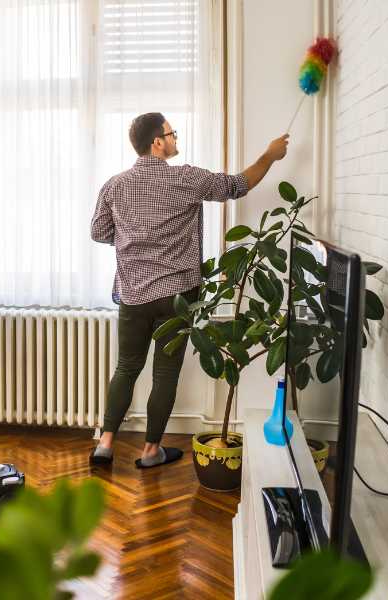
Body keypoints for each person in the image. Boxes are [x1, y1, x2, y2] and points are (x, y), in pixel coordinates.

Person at [90, 112, 288, 468]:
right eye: (171, 134)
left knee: (126, 367)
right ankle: (151, 451)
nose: (175, 139)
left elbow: (100, 232)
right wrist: (269, 156)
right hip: (177, 298)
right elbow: (237, 185)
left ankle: (105, 444)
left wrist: (135, 242)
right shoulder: (185, 178)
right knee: (164, 374)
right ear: (157, 142)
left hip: (133, 295)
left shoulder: (115, 185)